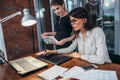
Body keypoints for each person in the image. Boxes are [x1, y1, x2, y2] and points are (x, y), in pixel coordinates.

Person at [37, 7, 111, 64]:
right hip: (89, 65)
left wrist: (80, 56)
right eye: (71, 21)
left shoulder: (97, 31)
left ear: (84, 20)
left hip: (105, 67)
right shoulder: (79, 34)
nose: (72, 24)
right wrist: (52, 51)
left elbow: (101, 59)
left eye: (74, 21)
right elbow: (69, 49)